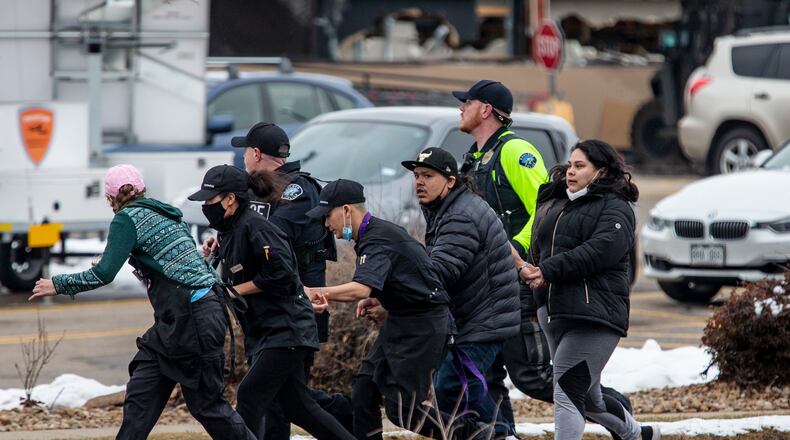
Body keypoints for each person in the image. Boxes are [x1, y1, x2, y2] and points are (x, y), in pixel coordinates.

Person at [29, 164, 255, 440]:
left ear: (110, 199)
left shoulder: (126, 219)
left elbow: (105, 273)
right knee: (142, 391)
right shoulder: (166, 214)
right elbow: (183, 264)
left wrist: (59, 284)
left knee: (207, 405)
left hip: (192, 319)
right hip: (185, 318)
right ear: (142, 189)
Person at [303, 179, 487, 440]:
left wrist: (318, 291)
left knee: (403, 411)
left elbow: (360, 288)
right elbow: (396, 279)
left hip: (423, 327)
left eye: (327, 216)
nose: (325, 224)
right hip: (401, 320)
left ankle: (479, 435)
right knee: (364, 393)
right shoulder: (370, 237)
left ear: (346, 210)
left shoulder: (379, 238)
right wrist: (381, 298)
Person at [188, 165, 354, 440]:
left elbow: (281, 274)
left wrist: (231, 292)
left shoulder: (256, 227)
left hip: (286, 330)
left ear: (230, 199)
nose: (206, 206)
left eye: (210, 199)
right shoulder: (229, 231)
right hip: (268, 331)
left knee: (249, 396)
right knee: (298, 407)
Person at [522, 139, 659, 440]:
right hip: (552, 311)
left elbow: (598, 252)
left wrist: (547, 270)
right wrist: (534, 284)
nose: (570, 171)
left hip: (593, 314)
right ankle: (637, 434)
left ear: (601, 171)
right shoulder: (554, 201)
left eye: (580, 165)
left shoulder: (616, 207)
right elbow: (538, 251)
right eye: (570, 164)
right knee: (591, 399)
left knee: (568, 390)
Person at [453, 79, 555, 430]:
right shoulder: (473, 158)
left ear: (485, 110)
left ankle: (619, 413)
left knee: (533, 377)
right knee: (486, 377)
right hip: (481, 289)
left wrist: (519, 249)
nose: (460, 108)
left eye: (466, 102)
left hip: (515, 283)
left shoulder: (515, 151)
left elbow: (544, 209)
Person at [401, 147, 520, 437]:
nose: (419, 182)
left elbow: (442, 270)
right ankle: (503, 433)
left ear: (450, 180)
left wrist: (396, 286)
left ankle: (499, 435)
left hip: (482, 318)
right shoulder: (448, 208)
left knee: (452, 387)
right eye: (416, 175)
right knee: (479, 386)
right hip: (478, 315)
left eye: (428, 175)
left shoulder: (460, 215)